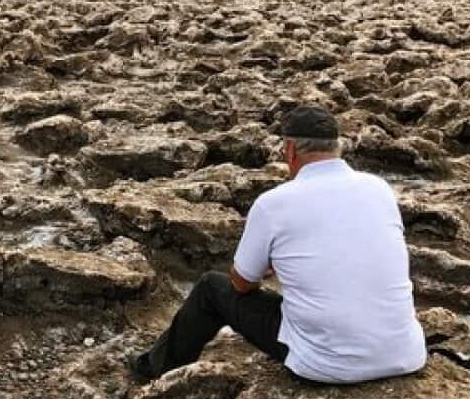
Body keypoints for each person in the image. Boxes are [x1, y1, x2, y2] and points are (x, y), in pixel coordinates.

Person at [130, 105, 426, 384]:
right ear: (338, 147)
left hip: (324, 365)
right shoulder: (379, 189)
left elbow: (241, 285)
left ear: (290, 150)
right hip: (404, 354)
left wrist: (269, 264)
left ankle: (155, 371)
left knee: (211, 288)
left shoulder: (274, 204)